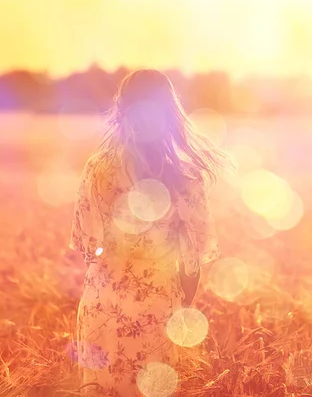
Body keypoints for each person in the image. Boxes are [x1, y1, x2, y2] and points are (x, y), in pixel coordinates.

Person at [69, 69, 233, 396]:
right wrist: (174, 302)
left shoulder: (98, 167)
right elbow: (193, 263)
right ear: (171, 112)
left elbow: (88, 245)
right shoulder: (184, 177)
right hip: (157, 305)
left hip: (101, 304)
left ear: (121, 108)